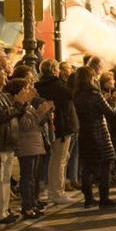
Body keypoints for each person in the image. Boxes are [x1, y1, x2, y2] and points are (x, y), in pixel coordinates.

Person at [0, 63, 33, 225]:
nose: (6, 77)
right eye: (3, 74)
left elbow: (14, 113)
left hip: (8, 141)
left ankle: (4, 210)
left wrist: (22, 104)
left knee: (5, 179)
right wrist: (18, 104)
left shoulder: (1, 93)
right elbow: (1, 116)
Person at [73, 66, 116, 209]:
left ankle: (88, 199)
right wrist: (115, 99)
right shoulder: (95, 94)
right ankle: (104, 198)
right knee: (105, 165)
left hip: (84, 133)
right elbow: (110, 112)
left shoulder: (76, 95)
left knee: (87, 167)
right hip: (99, 133)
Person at [6, 77, 53, 218]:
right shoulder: (18, 106)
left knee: (33, 176)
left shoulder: (27, 105)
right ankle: (27, 207)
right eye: (26, 88)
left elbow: (36, 123)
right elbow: (25, 125)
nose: (29, 90)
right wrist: (40, 113)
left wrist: (45, 112)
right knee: (27, 177)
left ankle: (32, 203)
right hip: (27, 144)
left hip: (35, 142)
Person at [35, 59, 78, 204]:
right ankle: (57, 192)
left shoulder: (40, 85)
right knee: (60, 160)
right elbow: (72, 94)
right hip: (62, 125)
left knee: (55, 160)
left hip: (53, 125)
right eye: (58, 69)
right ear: (54, 70)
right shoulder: (57, 85)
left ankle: (53, 191)